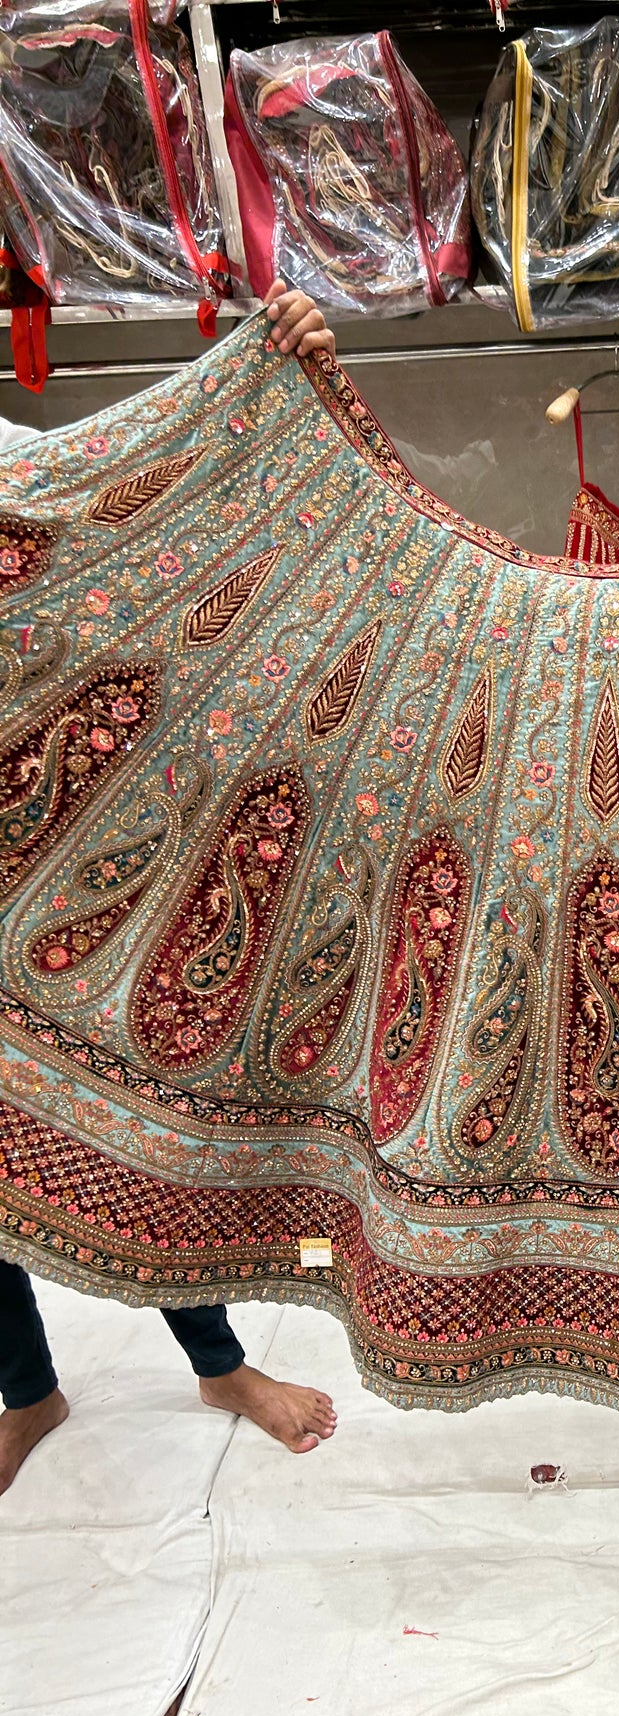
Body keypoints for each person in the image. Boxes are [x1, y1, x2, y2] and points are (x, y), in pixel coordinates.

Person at [0, 282, 342, 1498]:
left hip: (43, 845)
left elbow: (147, 514)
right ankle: (26, 1389)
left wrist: (269, 378)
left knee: (119, 1093)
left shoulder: (14, 468)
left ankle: (217, 1362)